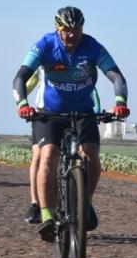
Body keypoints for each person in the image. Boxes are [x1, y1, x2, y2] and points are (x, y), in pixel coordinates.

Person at [12, 6, 130, 241]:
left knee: (91, 156)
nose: (71, 35)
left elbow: (117, 76)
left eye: (76, 29)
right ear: (58, 29)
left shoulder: (92, 46)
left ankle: (85, 204)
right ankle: (47, 215)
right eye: (66, 30)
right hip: (50, 113)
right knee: (48, 156)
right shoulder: (45, 44)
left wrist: (120, 101)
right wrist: (22, 104)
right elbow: (20, 78)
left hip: (84, 112)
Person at [23, 71, 102, 224]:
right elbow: (27, 86)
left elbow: (93, 91)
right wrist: (24, 104)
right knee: (39, 156)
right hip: (44, 114)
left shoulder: (81, 66)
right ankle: (35, 204)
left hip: (78, 115)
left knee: (86, 152)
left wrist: (97, 113)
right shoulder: (43, 63)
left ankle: (83, 202)